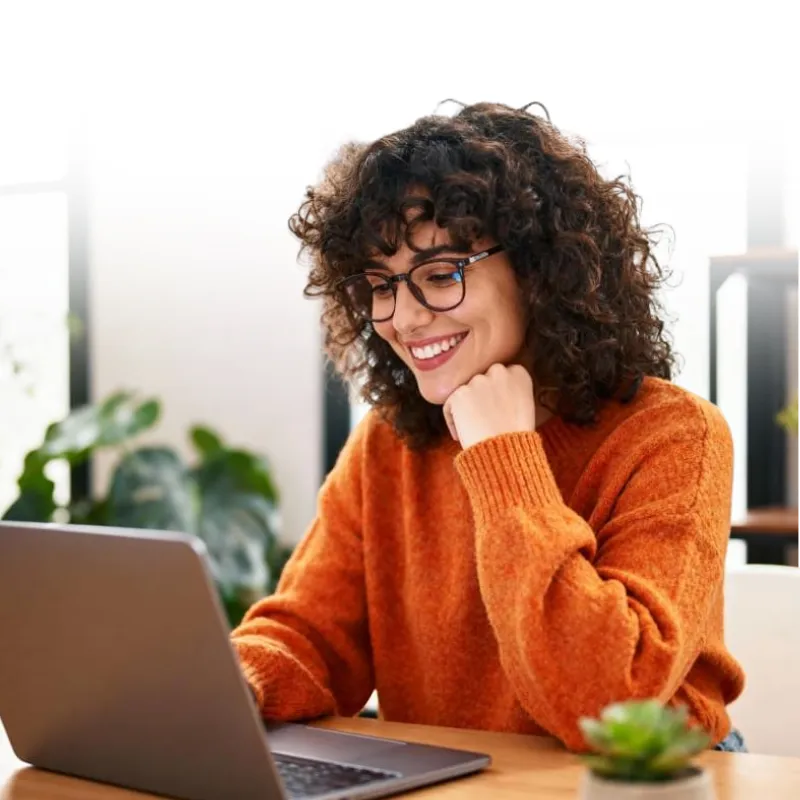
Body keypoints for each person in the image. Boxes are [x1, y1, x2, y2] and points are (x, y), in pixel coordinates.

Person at [231, 101, 746, 753]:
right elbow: (310, 636)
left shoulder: (674, 436)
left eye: (441, 275)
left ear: (539, 269)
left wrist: (504, 457)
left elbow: (608, 703)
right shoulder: (389, 445)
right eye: (381, 286)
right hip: (461, 780)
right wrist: (235, 685)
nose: (405, 319)